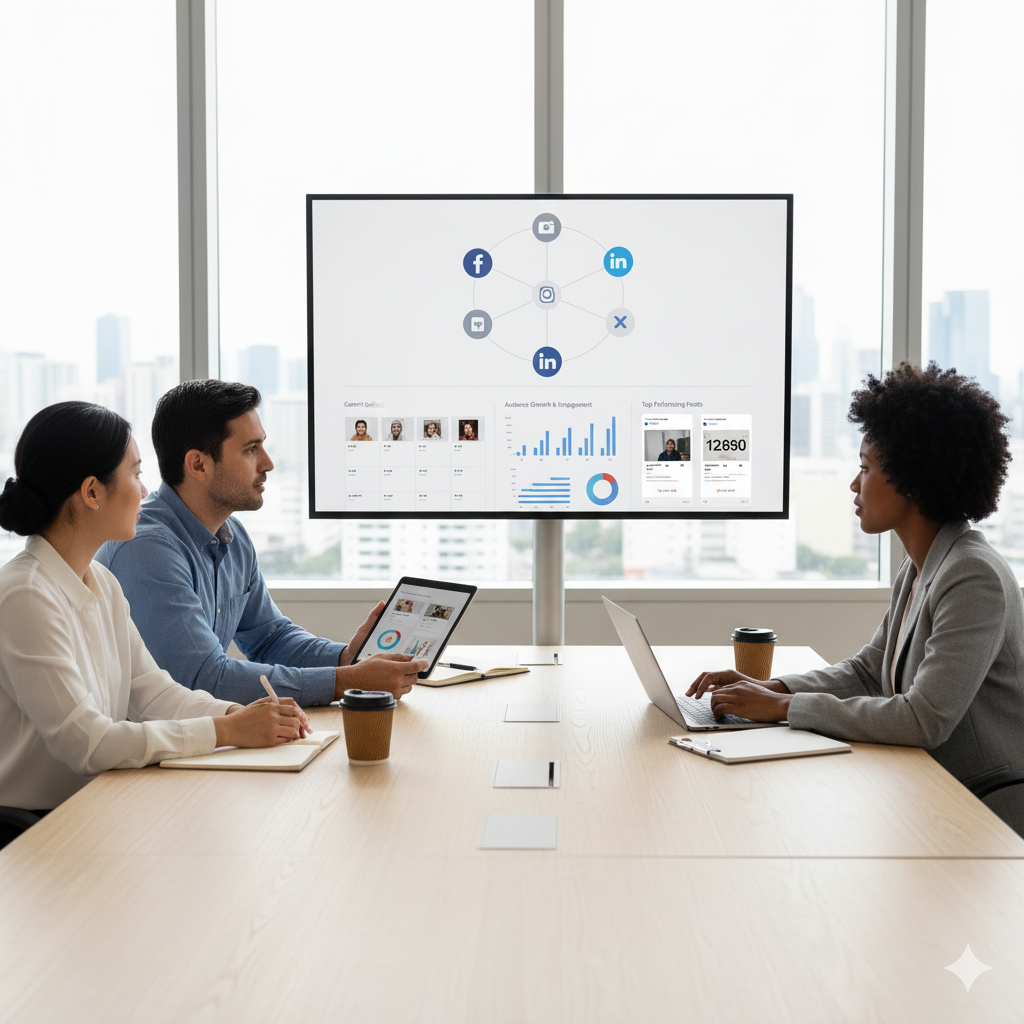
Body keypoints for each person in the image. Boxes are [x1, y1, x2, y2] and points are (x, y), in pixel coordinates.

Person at [687, 362, 1024, 834]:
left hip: (975, 813)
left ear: (914, 478)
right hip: (920, 789)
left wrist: (782, 709)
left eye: (865, 468)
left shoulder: (973, 576)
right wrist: (771, 689)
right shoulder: (922, 564)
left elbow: (924, 719)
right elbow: (869, 670)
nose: (853, 484)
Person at [0, 402, 312, 819]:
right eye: (136, 473)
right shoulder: (25, 595)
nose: (145, 491)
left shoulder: (102, 582)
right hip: (33, 829)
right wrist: (225, 730)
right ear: (92, 492)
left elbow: (153, 693)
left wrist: (237, 714)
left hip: (98, 805)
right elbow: (86, 742)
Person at [96, 381, 426, 708]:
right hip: (144, 753)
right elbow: (202, 679)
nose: (267, 463)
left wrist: (345, 657)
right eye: (251, 449)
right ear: (198, 465)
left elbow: (270, 638)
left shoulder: (232, 536)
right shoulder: (145, 548)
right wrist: (345, 681)